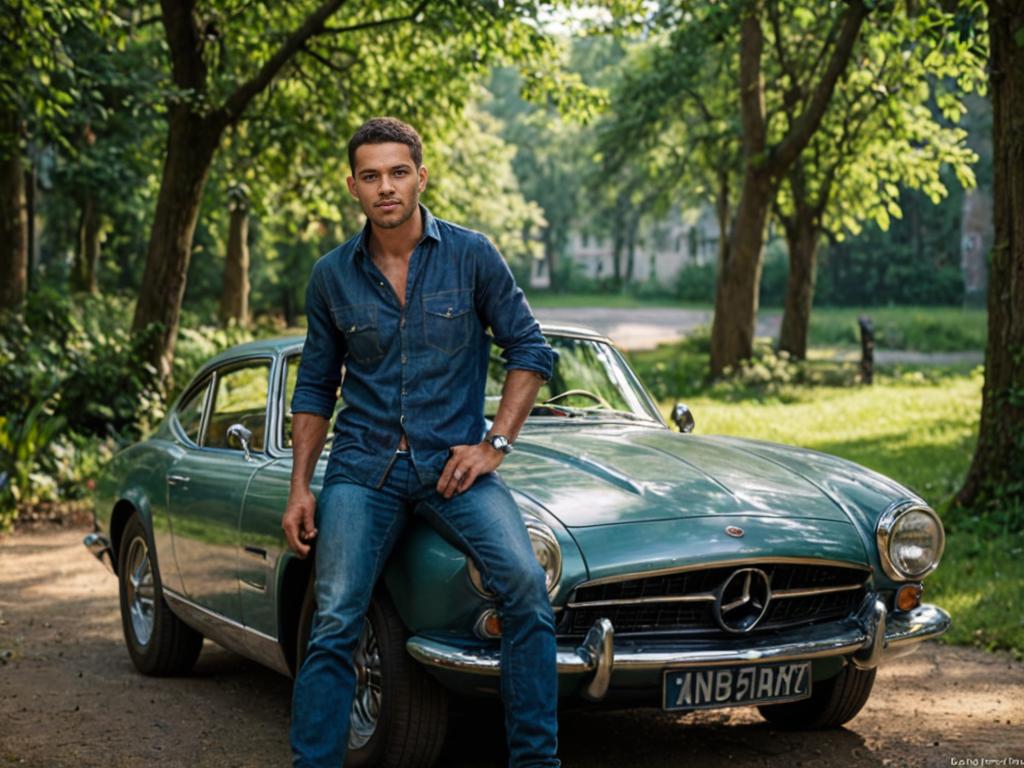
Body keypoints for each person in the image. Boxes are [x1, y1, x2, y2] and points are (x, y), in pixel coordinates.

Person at [282, 116, 560, 768]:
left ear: (421, 177)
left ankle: (536, 764)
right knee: (335, 618)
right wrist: (301, 486)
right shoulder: (330, 277)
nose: (387, 187)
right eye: (372, 176)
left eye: (398, 172)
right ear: (353, 186)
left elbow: (531, 350)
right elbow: (317, 387)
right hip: (361, 467)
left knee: (525, 586)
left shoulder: (472, 255)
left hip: (454, 465)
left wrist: (494, 445)